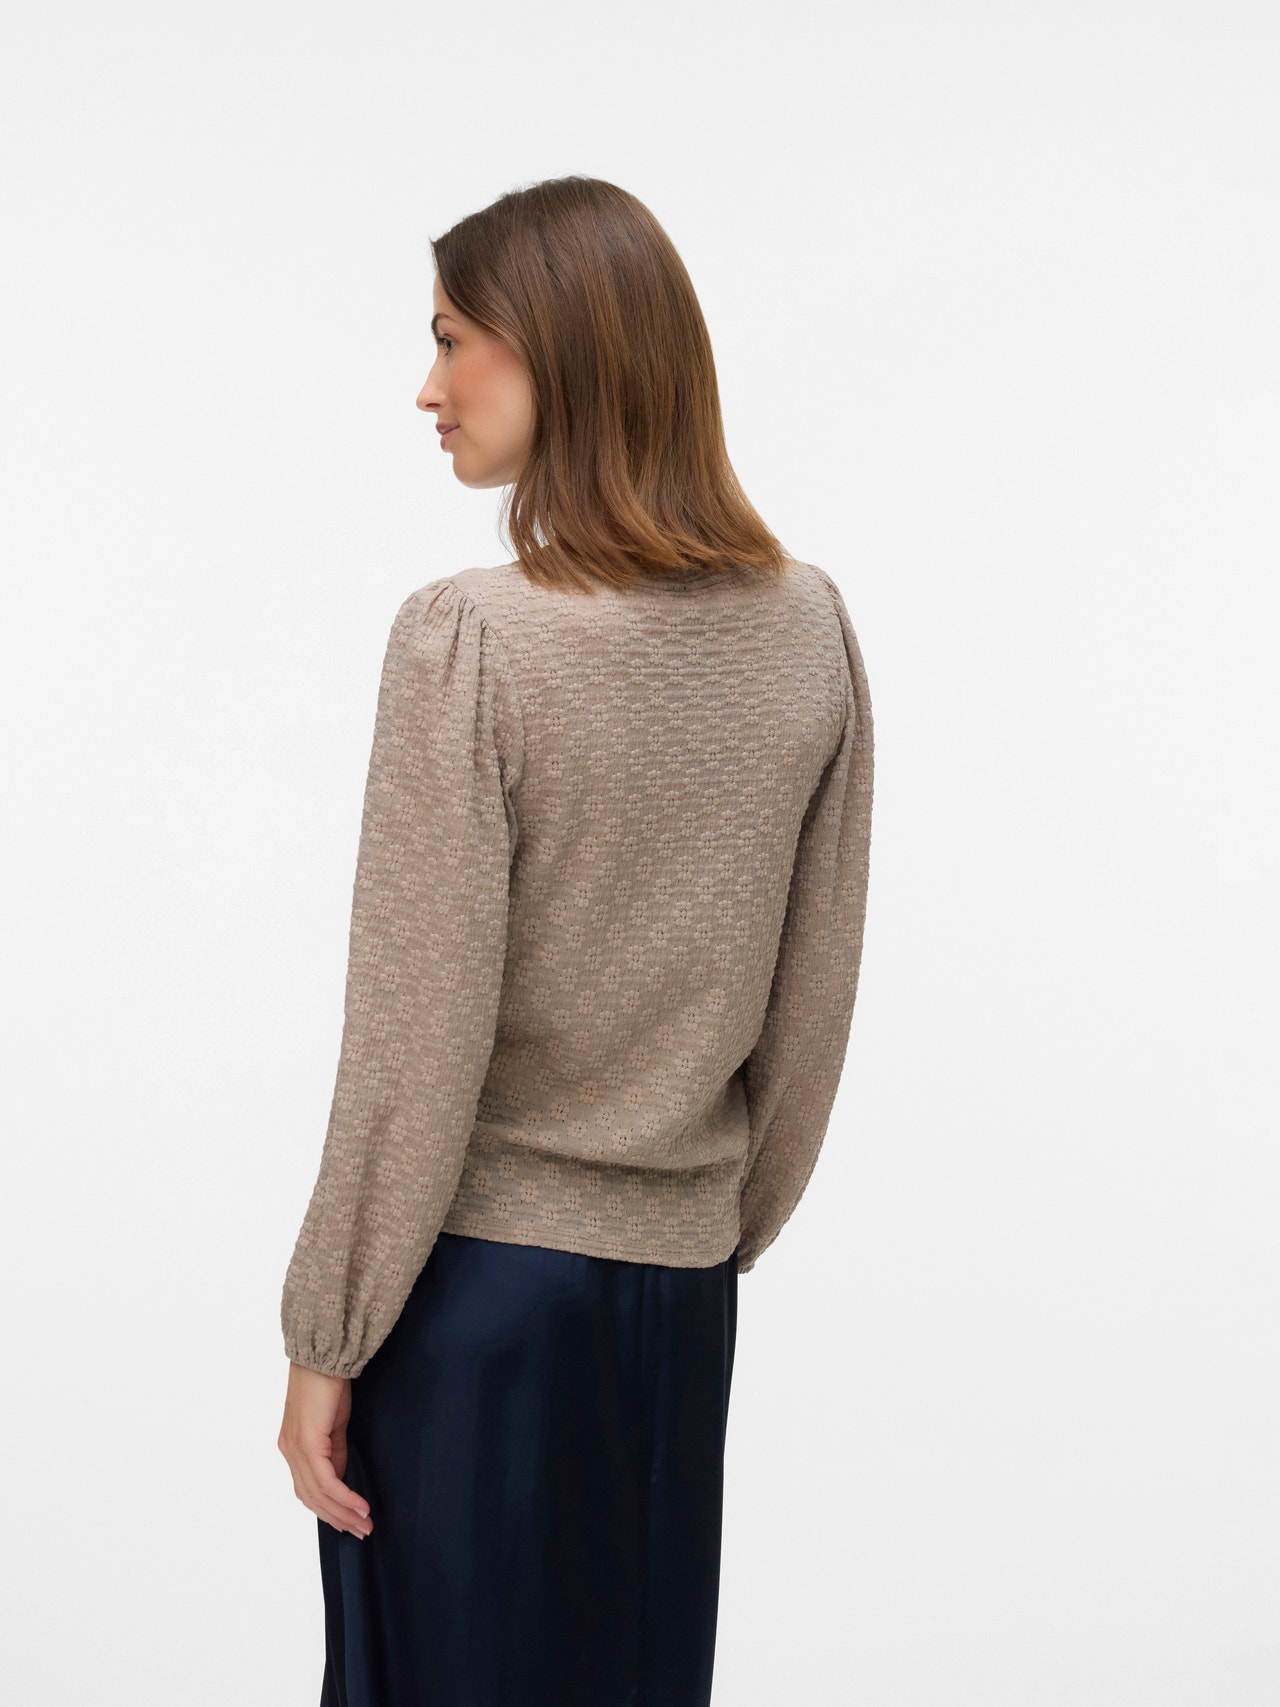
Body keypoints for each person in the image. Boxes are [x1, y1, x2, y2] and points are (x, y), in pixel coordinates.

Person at [276, 174, 875, 1707]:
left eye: (451, 341)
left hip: (473, 1300)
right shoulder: (809, 628)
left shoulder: (473, 639)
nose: (427, 389)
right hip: (681, 1304)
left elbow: (413, 1037)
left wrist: (327, 1334)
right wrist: (703, 1229)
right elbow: (813, 1010)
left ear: (558, 350)